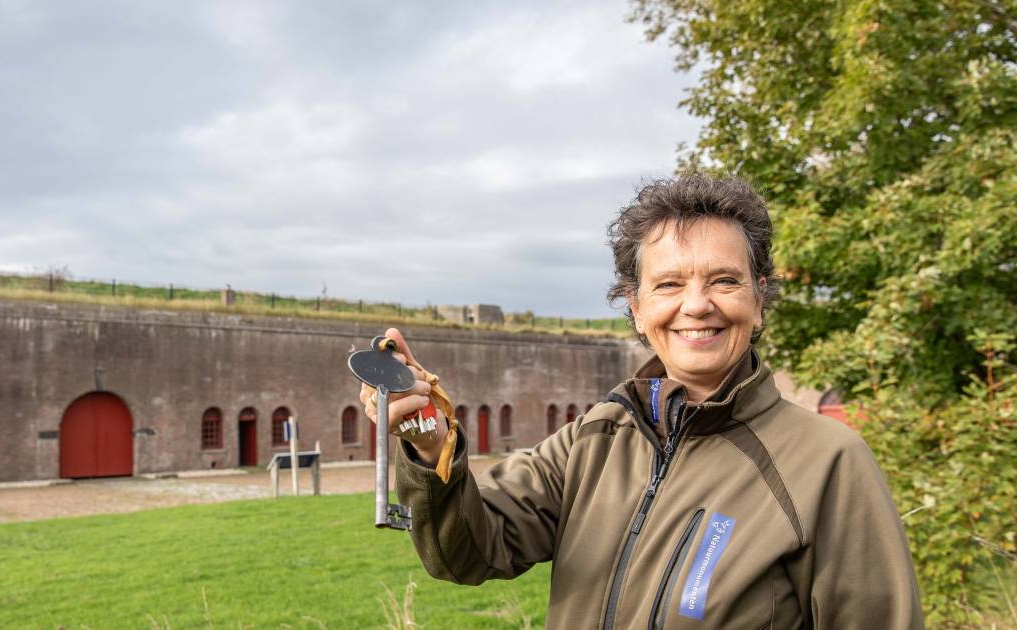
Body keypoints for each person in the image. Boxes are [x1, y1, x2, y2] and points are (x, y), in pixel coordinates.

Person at [359, 174, 922, 629]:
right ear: (635, 305)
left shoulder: (827, 461)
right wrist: (431, 442)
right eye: (669, 284)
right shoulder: (596, 437)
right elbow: (469, 554)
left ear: (760, 296)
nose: (696, 305)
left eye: (724, 280)